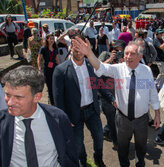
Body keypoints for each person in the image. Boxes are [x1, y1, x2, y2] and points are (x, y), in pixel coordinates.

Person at [72, 37, 161, 167]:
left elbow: (153, 93)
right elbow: (100, 67)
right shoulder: (118, 68)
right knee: (123, 148)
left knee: (141, 147)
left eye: (132, 54)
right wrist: (89, 53)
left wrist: (157, 114)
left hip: (142, 120)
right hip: (123, 119)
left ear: (140, 56)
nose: (128, 57)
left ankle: (139, 164)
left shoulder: (146, 71)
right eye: (126, 53)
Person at [53, 35, 114, 167]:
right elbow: (58, 99)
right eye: (76, 48)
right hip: (74, 114)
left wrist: (111, 98)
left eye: (82, 49)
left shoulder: (90, 65)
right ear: (71, 48)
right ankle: (83, 161)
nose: (79, 52)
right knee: (78, 144)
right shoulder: (60, 70)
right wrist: (64, 119)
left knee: (99, 138)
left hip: (92, 110)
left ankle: (98, 159)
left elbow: (99, 85)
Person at [0, 65, 78, 167]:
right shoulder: (2, 121)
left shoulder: (58, 118)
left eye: (18, 97)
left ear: (37, 97)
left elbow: (70, 155)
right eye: (8, 95)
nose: (9, 102)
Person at [98, 40, 126, 147]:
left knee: (117, 120)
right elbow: (97, 68)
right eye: (116, 49)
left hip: (120, 94)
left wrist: (122, 63)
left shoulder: (123, 60)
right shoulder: (105, 54)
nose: (118, 52)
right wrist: (110, 59)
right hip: (107, 95)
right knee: (113, 120)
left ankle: (105, 131)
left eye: (120, 50)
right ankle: (116, 142)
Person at [37, 34, 59, 105]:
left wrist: (60, 67)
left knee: (55, 84)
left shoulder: (55, 48)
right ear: (47, 39)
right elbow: (39, 58)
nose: (52, 40)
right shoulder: (43, 48)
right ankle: (52, 102)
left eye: (53, 39)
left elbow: (57, 59)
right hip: (47, 68)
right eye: (50, 39)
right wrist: (39, 67)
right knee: (49, 85)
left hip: (54, 67)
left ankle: (55, 99)